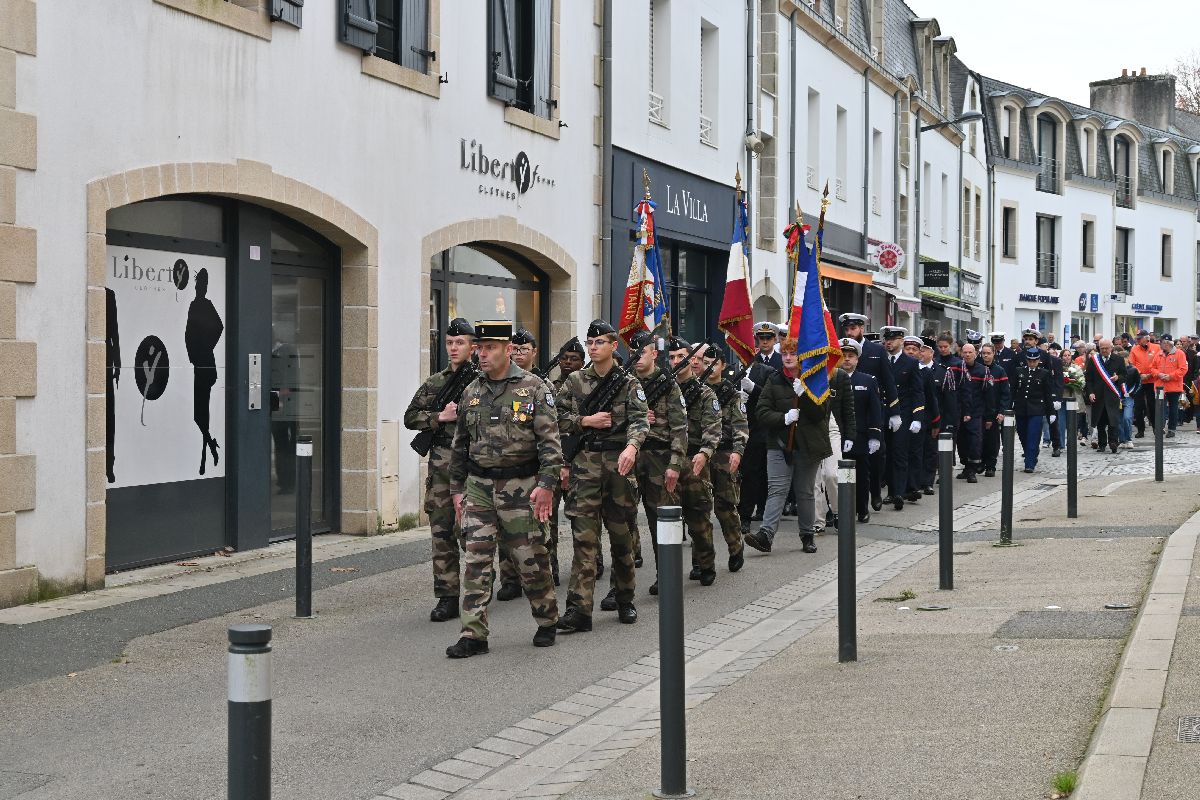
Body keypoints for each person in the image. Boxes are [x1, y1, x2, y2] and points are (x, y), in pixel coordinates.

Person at [444, 320, 561, 658]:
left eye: (490, 347)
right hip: (479, 487)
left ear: (508, 350)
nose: (481, 354)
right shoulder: (471, 391)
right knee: (476, 560)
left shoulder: (534, 388)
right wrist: (456, 489)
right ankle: (473, 634)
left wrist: (547, 485)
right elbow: (460, 446)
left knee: (529, 558)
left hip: (522, 487)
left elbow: (550, 445)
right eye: (479, 348)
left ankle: (547, 619)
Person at [555, 319, 649, 632]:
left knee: (621, 538)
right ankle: (579, 610)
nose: (594, 348)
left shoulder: (629, 383)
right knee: (584, 540)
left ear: (612, 345)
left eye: (600, 343)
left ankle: (624, 599)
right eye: (590, 343)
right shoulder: (574, 382)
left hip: (618, 468)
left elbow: (640, 422)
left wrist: (633, 447)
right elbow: (555, 419)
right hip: (585, 466)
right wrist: (586, 421)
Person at [600, 329, 685, 612]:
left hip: (658, 457)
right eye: (632, 353)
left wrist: (675, 465)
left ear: (654, 353)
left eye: (642, 352)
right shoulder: (622, 382)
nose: (636, 358)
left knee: (660, 519)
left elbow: (680, 428)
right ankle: (619, 586)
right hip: (628, 456)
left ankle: (667, 576)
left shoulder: (667, 384)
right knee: (622, 522)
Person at [746, 335, 854, 554]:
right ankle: (766, 535)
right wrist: (784, 418)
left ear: (802, 356)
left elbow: (820, 414)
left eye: (792, 353)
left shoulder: (815, 379)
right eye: (784, 353)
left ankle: (807, 535)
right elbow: (762, 411)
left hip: (808, 444)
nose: (787, 357)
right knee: (776, 489)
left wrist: (804, 395)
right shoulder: (774, 379)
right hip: (779, 444)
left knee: (805, 492)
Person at [404, 318, 477, 622]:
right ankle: (447, 596)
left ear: (473, 346)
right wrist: (439, 417)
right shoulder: (436, 382)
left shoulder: (482, 381)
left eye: (460, 343)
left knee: (473, 532)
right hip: (442, 465)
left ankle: (478, 589)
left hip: (473, 463)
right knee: (441, 532)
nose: (453, 348)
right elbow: (411, 417)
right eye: (449, 342)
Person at [496, 327, 546, 600]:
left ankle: (541, 575)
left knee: (534, 528)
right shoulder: (497, 382)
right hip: (503, 468)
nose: (517, 352)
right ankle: (509, 578)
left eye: (523, 348)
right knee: (505, 528)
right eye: (514, 348)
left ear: (534, 352)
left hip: (534, 467)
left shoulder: (539, 384)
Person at [670, 337, 723, 586]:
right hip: (669, 459)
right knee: (667, 520)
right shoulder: (665, 390)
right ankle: (666, 573)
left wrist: (704, 453)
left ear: (692, 360)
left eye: (681, 357)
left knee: (699, 518)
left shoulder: (704, 393)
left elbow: (713, 428)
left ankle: (705, 563)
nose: (676, 362)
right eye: (671, 358)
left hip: (694, 459)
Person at [841, 313, 898, 509]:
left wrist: (895, 411)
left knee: (875, 457)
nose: (850, 332)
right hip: (849, 412)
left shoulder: (876, 350)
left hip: (872, 411)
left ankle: (875, 492)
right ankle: (857, 501)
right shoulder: (842, 350)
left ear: (862, 329)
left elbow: (888, 381)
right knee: (857, 461)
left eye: (853, 328)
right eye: (847, 329)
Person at [704, 345, 749, 570]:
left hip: (723, 452)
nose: (709, 367)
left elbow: (741, 425)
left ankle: (735, 547)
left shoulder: (731, 393)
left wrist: (737, 451)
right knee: (699, 509)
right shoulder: (697, 390)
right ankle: (701, 560)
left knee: (725, 506)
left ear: (722, 365)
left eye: (714, 363)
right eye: (706, 362)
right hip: (701, 452)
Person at [737, 321, 784, 531]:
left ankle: (765, 511)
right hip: (750, 425)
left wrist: (753, 388)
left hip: (770, 424)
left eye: (768, 338)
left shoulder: (780, 362)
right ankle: (745, 515)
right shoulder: (747, 363)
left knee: (768, 472)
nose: (764, 342)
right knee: (749, 472)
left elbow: (776, 393)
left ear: (775, 340)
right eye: (760, 338)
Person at [185, 268, 224, 476]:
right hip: (200, 363)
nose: (200, 286)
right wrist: (196, 352)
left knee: (201, 413)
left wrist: (205, 347)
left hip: (204, 365)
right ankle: (210, 447)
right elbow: (188, 334)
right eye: (199, 282)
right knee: (200, 414)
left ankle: (205, 455)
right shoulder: (195, 305)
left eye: (203, 283)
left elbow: (219, 326)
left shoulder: (203, 305)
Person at [839, 338, 882, 523]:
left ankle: (862, 508)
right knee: (836, 475)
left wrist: (875, 435)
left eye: (851, 356)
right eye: (844, 356)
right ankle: (838, 510)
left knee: (861, 475)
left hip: (860, 435)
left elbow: (875, 410)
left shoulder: (868, 380)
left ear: (857, 359)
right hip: (837, 434)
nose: (847, 359)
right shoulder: (831, 379)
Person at [882, 327, 923, 509]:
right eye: (887, 339)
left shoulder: (910, 363)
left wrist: (917, 416)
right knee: (886, 454)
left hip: (904, 414)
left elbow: (917, 392)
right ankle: (890, 491)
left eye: (893, 339)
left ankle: (898, 492)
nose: (888, 342)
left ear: (901, 341)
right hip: (883, 413)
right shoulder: (881, 360)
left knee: (899, 453)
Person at [903, 335, 937, 498]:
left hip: (919, 418)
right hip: (900, 417)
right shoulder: (895, 367)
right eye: (907, 349)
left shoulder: (926, 372)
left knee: (916, 453)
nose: (910, 352)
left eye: (914, 350)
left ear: (920, 353)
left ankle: (914, 486)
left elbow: (931, 398)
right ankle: (899, 487)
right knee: (900, 453)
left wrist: (935, 421)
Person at [1012, 348, 1056, 473]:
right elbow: (1012, 391)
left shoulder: (1044, 373)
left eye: (1034, 361)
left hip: (1036, 409)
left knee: (1033, 435)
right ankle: (1031, 454)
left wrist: (1051, 412)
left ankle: (1029, 463)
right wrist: (1009, 407)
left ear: (1038, 360)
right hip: (1021, 408)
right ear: (1027, 360)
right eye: (1030, 361)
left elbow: (1047, 394)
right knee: (1022, 435)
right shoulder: (1019, 371)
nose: (1032, 363)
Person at [1085, 338, 1125, 453]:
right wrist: (1091, 392)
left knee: (1113, 421)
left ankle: (1113, 442)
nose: (1104, 350)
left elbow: (1124, 375)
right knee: (1100, 422)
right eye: (1102, 348)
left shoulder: (1118, 360)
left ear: (1111, 348)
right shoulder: (1094, 360)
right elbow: (1089, 379)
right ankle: (1102, 444)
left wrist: (1118, 378)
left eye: (1106, 348)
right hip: (1098, 396)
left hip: (1112, 395)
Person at [956, 343, 988, 482]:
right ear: (961, 353)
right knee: (961, 441)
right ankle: (965, 466)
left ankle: (972, 470)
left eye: (970, 352)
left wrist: (989, 415)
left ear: (976, 354)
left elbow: (988, 393)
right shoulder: (957, 369)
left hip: (975, 411)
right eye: (965, 352)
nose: (967, 355)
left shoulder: (983, 370)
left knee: (974, 442)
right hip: (959, 411)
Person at [979, 343, 1010, 476]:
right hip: (979, 410)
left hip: (994, 411)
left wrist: (1002, 411)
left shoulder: (999, 371)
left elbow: (1005, 394)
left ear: (993, 354)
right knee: (979, 439)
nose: (986, 355)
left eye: (988, 353)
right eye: (984, 353)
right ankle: (980, 463)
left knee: (992, 440)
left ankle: (991, 465)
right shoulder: (977, 369)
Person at [1152, 335, 1187, 437]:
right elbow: (1152, 368)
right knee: (1160, 408)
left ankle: (1172, 429)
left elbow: (1183, 369)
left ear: (1168, 343)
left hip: (1174, 387)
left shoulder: (1179, 353)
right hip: (1160, 387)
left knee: (1173, 409)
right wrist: (1158, 374)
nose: (1161, 345)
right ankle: (1160, 428)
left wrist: (1170, 376)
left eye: (1163, 343)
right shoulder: (1158, 354)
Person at [1128, 330, 1162, 438]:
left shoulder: (1156, 347)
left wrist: (1149, 374)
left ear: (1147, 338)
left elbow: (1159, 363)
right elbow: (1131, 364)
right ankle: (1140, 430)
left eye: (1140, 337)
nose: (1138, 339)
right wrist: (1140, 374)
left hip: (1152, 381)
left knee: (1153, 406)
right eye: (1137, 337)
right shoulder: (1134, 348)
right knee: (1138, 406)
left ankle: (1156, 428)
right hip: (1139, 381)